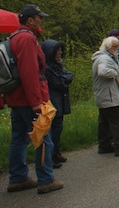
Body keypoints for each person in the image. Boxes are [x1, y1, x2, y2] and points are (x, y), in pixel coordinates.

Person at [6, 4, 64, 194]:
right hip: (30, 100)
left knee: (19, 139)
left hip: (16, 98)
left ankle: (18, 178)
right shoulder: (27, 39)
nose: (42, 21)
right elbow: (29, 72)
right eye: (40, 18)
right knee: (43, 139)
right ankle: (46, 179)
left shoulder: (14, 37)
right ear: (30, 20)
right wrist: (36, 102)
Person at [92, 36, 119, 156]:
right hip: (109, 96)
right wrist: (115, 73)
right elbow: (102, 71)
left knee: (105, 121)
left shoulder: (108, 57)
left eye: (118, 46)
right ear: (107, 47)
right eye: (115, 46)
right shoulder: (104, 59)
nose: (117, 48)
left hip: (105, 94)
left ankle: (104, 145)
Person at [41, 39, 74, 168]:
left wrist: (64, 76)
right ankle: (51, 156)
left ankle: (56, 153)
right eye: (57, 50)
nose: (60, 52)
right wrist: (65, 78)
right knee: (53, 130)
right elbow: (60, 82)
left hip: (59, 100)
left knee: (58, 129)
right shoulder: (47, 68)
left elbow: (68, 76)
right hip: (53, 101)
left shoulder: (57, 65)